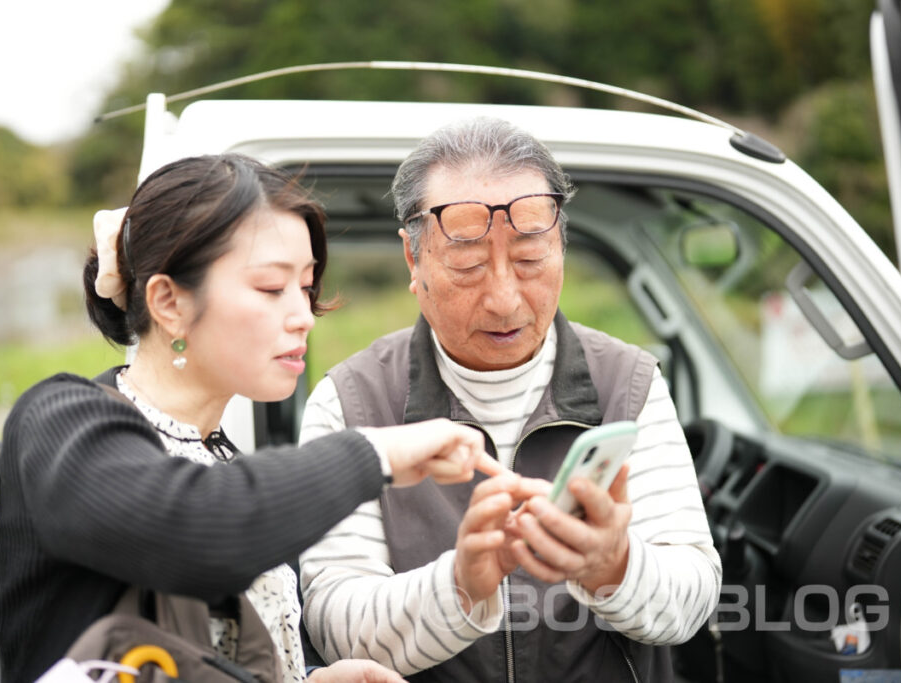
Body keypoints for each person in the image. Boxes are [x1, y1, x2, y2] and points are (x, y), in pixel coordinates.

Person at [0, 153, 500, 683]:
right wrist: (374, 452)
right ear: (169, 302)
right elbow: (199, 529)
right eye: (270, 288)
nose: (303, 315)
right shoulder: (60, 421)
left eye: (306, 287)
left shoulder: (222, 457)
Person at [299, 117, 722, 681]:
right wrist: (460, 586)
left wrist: (614, 567)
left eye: (529, 260)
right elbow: (333, 622)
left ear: (561, 248)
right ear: (413, 260)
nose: (503, 299)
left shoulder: (630, 383)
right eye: (469, 264)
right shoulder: (351, 402)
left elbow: (692, 595)